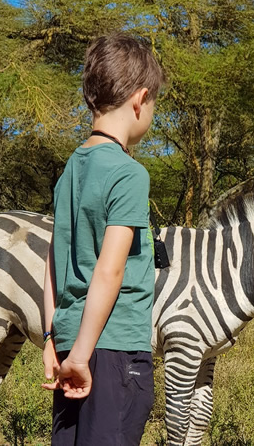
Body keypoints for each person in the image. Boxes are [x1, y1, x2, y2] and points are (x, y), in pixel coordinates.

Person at [42, 32, 164, 446]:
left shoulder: (70, 171)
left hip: (70, 345)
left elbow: (52, 265)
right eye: (154, 104)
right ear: (139, 99)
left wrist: (52, 340)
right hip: (112, 352)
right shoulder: (130, 173)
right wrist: (81, 354)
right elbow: (110, 270)